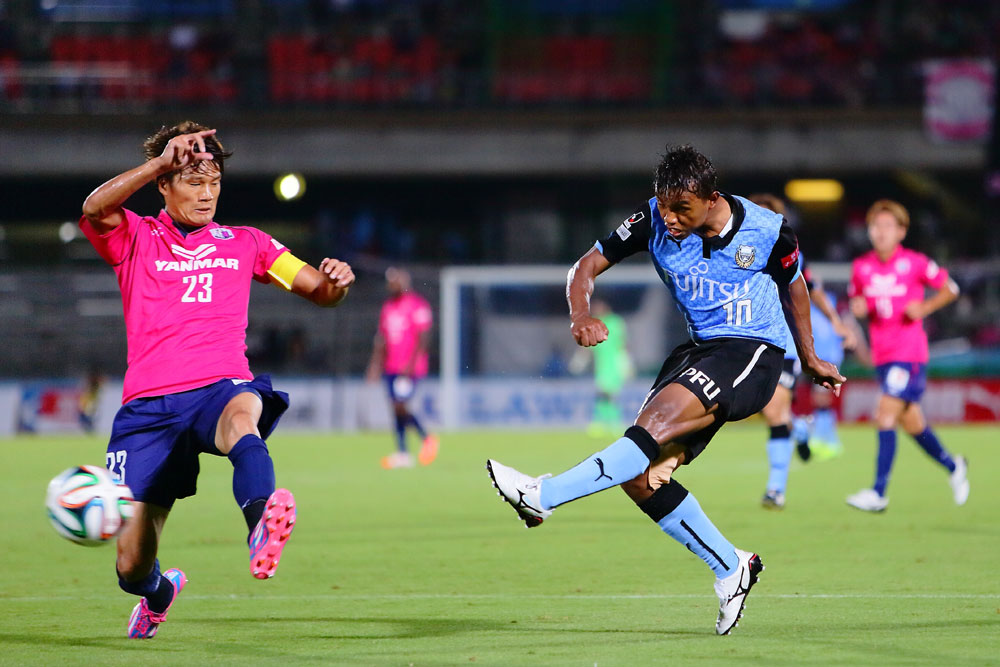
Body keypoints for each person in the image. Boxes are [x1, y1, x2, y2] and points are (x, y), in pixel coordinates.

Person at [486, 145, 844, 635]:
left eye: (682, 209)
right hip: (698, 351)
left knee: (649, 432)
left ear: (711, 198)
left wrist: (809, 357)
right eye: (664, 205)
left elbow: (795, 284)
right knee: (643, 476)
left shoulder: (766, 229)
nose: (670, 218)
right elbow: (585, 267)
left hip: (753, 352)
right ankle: (730, 566)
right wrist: (580, 314)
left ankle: (541, 495)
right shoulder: (651, 219)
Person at [79, 121, 355, 639]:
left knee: (242, 418)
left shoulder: (246, 243)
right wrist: (161, 160)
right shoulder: (134, 237)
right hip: (148, 411)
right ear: (164, 184)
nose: (207, 195)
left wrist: (337, 283)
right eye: (192, 182)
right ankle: (159, 592)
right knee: (130, 565)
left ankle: (260, 527)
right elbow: (94, 208)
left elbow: (317, 289)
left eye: (214, 183)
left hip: (218, 386)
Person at [845, 199, 968, 512]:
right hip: (883, 357)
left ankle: (878, 493)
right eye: (876, 226)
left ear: (901, 231)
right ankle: (954, 466)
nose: (881, 232)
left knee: (884, 413)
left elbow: (950, 288)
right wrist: (860, 309)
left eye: (888, 226)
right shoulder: (862, 268)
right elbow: (859, 302)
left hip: (909, 354)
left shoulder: (915, 263)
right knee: (913, 423)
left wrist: (924, 307)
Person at [747, 194, 857, 510]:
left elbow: (812, 289)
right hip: (745, 341)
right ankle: (799, 428)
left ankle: (775, 489)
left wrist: (836, 321)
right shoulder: (735, 253)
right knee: (761, 409)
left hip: (782, 345)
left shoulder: (788, 253)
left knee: (774, 410)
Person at [366, 266, 438, 469]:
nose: (391, 285)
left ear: (404, 282)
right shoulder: (387, 307)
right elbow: (381, 339)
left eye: (394, 281)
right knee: (396, 409)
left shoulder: (417, 305)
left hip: (411, 368)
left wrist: (411, 365)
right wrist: (375, 365)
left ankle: (427, 438)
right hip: (391, 367)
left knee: (400, 405)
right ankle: (403, 453)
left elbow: (424, 337)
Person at [570, 298, 633, 436]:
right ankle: (606, 423)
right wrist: (580, 360)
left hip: (614, 365)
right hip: (602, 366)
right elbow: (588, 347)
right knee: (603, 395)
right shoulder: (595, 324)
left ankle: (609, 423)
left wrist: (626, 362)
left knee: (608, 395)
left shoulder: (616, 322)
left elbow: (622, 343)